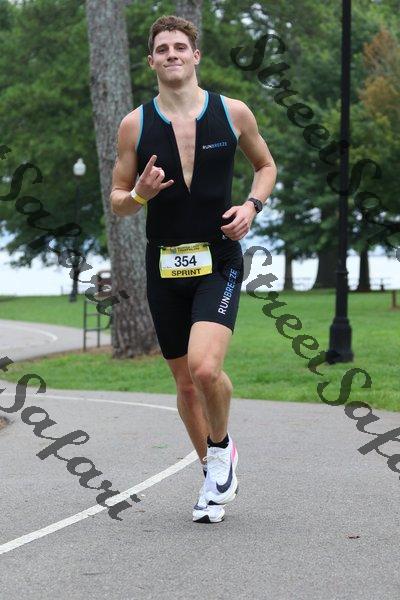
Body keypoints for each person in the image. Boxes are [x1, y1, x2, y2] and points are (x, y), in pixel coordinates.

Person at [110, 15, 277, 523]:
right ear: (151, 61)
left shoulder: (232, 112)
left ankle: (221, 449)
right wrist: (140, 194)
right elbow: (117, 200)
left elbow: (266, 166)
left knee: (206, 369)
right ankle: (212, 474)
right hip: (164, 266)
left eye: (180, 46)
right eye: (162, 49)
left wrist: (251, 207)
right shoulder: (135, 124)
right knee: (185, 384)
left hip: (218, 258)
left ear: (195, 55)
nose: (172, 55)